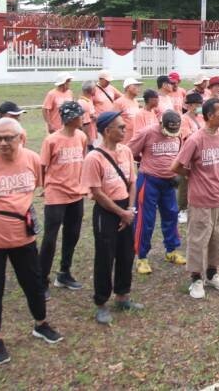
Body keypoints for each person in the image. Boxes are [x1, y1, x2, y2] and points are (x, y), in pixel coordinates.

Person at [0, 118, 61, 365]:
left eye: (9, 137)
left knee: (33, 283)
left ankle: (41, 324)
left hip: (23, 238)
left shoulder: (31, 159)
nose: (3, 143)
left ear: (21, 138)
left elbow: (31, 191)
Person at [81, 112, 142, 325]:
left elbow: (133, 182)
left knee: (126, 253)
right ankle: (101, 302)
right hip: (107, 211)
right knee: (105, 257)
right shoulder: (94, 157)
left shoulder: (126, 151)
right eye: (121, 127)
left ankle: (123, 295)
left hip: (127, 207)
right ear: (107, 131)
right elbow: (97, 192)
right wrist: (120, 213)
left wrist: (131, 209)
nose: (125, 130)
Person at [171, 98, 219, 299]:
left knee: (218, 236)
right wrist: (191, 175)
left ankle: (213, 273)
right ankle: (196, 279)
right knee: (198, 239)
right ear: (209, 116)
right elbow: (176, 166)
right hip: (200, 199)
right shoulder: (196, 139)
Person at [39, 102, 88, 299]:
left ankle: (64, 273)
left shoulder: (82, 137)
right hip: (56, 194)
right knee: (50, 239)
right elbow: (43, 166)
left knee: (72, 235)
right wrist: (45, 187)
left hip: (76, 194)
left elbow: (82, 161)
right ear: (70, 119)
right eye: (79, 116)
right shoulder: (51, 140)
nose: (82, 119)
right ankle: (41, 280)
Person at [129, 110, 185, 275]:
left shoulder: (178, 134)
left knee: (171, 214)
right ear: (161, 123)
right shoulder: (146, 133)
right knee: (145, 219)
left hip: (169, 182)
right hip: (149, 180)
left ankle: (171, 250)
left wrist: (177, 174)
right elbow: (129, 152)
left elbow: (179, 154)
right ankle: (142, 257)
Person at [113, 77, 143, 144]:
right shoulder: (119, 102)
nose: (138, 89)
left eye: (138, 86)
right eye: (135, 86)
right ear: (128, 88)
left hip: (135, 139)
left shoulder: (135, 102)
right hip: (124, 141)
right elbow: (114, 122)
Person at [78, 81, 98, 146]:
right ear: (90, 90)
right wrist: (88, 139)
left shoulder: (89, 100)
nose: (96, 90)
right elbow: (84, 124)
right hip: (88, 138)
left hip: (92, 135)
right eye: (94, 88)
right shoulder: (83, 103)